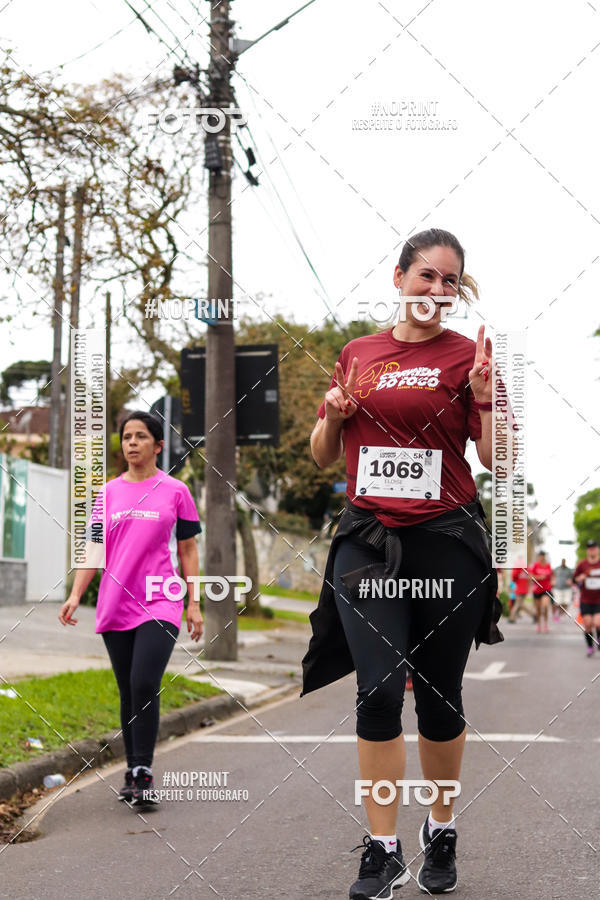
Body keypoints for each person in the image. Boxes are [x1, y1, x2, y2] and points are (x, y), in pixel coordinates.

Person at [302, 228, 503, 898]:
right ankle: (383, 848)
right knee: (380, 690)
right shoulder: (358, 354)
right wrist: (334, 416)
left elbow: (499, 458)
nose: (437, 291)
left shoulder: (468, 354)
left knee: (441, 701)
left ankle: (441, 826)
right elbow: (321, 454)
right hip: (368, 539)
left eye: (450, 282)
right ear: (398, 279)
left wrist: (481, 396)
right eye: (426, 277)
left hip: (445, 541)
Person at [59, 411, 203, 805]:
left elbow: (188, 549)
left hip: (161, 598)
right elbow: (93, 549)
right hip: (115, 602)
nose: (132, 443)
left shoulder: (177, 491)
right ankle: (131, 770)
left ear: (158, 445)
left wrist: (194, 601)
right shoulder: (107, 494)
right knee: (128, 691)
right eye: (126, 437)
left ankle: (143, 772)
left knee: (144, 682)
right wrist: (75, 594)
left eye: (141, 437)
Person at [573, 540, 600, 657]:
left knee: (598, 623)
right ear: (587, 551)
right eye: (590, 548)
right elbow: (574, 579)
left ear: (597, 549)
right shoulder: (582, 564)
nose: (592, 550)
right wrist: (581, 577)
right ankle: (590, 646)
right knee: (588, 624)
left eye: (594, 548)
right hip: (585, 600)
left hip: (599, 599)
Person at [528, 551, 553, 633]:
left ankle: (545, 624)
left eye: (543, 556)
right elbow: (531, 577)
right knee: (538, 609)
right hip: (537, 590)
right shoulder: (536, 565)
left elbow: (551, 576)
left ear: (544, 556)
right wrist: (539, 577)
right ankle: (539, 625)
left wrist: (553, 581)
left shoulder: (548, 565)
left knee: (545, 606)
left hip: (546, 589)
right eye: (540, 556)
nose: (541, 557)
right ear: (538, 557)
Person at [508, 559, 533, 623]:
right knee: (520, 604)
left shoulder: (517, 568)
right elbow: (530, 577)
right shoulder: (527, 568)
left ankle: (511, 618)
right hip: (524, 588)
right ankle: (534, 615)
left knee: (517, 604)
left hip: (519, 589)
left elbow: (513, 577)